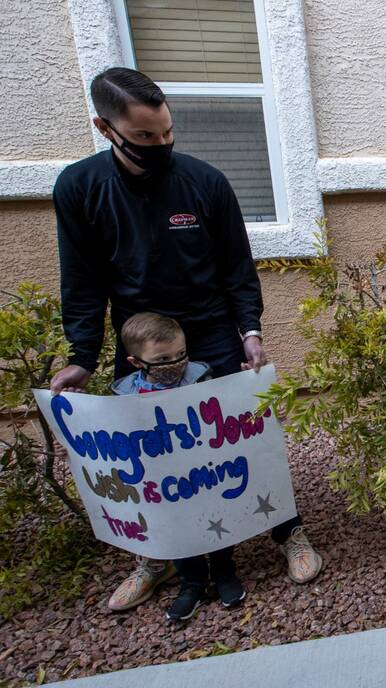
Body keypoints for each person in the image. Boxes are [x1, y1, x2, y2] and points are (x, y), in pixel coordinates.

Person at [50, 67, 322, 613]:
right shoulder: (79, 189)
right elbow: (81, 282)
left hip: (212, 335)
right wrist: (81, 356)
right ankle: (156, 557)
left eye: (168, 132)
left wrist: (250, 331)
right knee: (150, 459)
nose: (162, 145)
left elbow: (238, 270)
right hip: (140, 344)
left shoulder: (205, 182)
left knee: (246, 440)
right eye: (146, 137)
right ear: (106, 129)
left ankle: (286, 530)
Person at [110, 313, 244, 621]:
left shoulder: (200, 378)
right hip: (163, 481)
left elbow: (226, 410)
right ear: (136, 362)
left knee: (217, 521)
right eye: (163, 358)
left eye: (181, 354)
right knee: (179, 531)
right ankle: (192, 584)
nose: (176, 362)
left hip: (204, 473)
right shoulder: (125, 394)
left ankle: (225, 574)